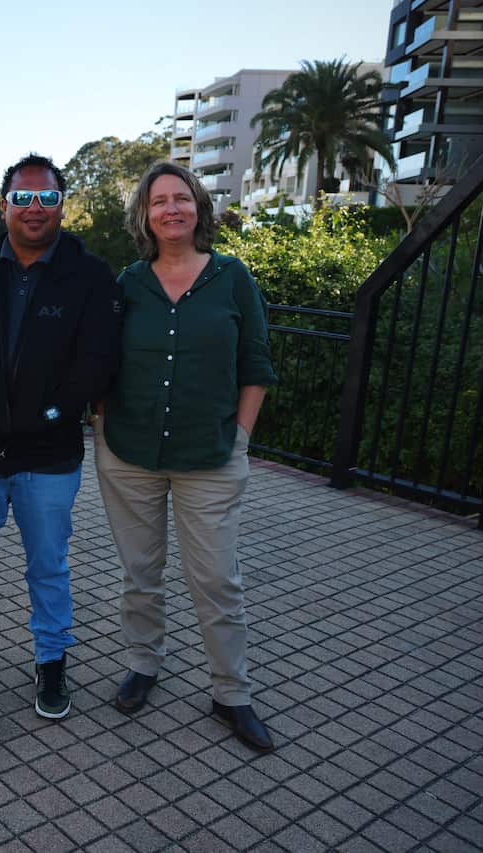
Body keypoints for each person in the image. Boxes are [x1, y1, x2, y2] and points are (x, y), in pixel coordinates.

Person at [94, 161, 277, 752]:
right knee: (140, 574)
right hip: (129, 453)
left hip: (211, 455)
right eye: (158, 201)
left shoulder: (232, 277)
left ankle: (232, 693)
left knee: (217, 580)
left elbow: (256, 364)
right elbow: (99, 359)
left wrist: (241, 438)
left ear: (199, 207)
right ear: (144, 216)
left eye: (181, 198)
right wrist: (101, 423)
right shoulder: (128, 283)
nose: (170, 209)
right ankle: (143, 664)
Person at [0, 153, 121, 719]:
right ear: (5, 206)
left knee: (49, 565)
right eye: (23, 197)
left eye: (47, 197)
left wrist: (52, 414)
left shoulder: (91, 276)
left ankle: (51, 658)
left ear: (63, 206)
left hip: (49, 454)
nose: (35, 207)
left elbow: (97, 361)